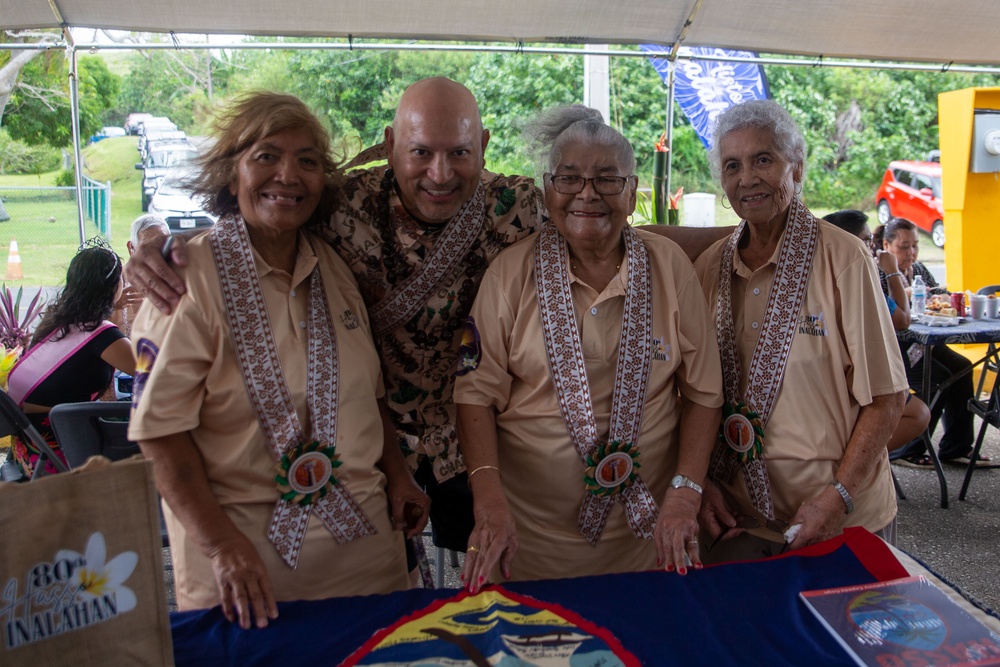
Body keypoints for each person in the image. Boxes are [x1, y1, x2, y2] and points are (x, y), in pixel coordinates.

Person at [123, 78, 731, 569]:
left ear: (483, 148)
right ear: (391, 145)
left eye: (459, 153)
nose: (440, 174)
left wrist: (750, 233)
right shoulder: (340, 206)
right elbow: (268, 206)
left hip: (473, 445)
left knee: (472, 586)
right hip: (371, 443)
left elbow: (607, 221)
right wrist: (154, 240)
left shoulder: (518, 204)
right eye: (421, 152)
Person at [127, 92, 429, 630]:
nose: (288, 175)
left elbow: (366, 397)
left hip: (366, 569)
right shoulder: (186, 279)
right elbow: (159, 435)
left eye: (308, 161)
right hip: (249, 578)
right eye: (266, 156)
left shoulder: (334, 267)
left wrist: (400, 475)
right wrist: (221, 548)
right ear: (230, 171)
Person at [454, 106, 723, 591]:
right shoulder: (510, 275)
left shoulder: (669, 268)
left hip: (648, 543)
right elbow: (474, 395)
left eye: (606, 179)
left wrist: (685, 494)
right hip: (528, 545)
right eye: (570, 178)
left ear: (632, 189)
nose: (587, 194)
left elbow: (704, 393)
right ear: (546, 187)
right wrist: (488, 502)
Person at [693, 100, 908, 563]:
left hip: (837, 519)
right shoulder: (709, 267)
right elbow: (690, 395)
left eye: (763, 159)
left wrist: (839, 498)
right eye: (732, 165)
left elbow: (888, 398)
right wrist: (702, 483)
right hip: (738, 524)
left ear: (798, 168)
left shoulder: (844, 259)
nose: (747, 177)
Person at [7, 242, 136, 478]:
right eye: (121, 278)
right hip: (62, 453)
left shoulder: (57, 321)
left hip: (26, 451)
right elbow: (152, 368)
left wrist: (113, 307)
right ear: (112, 285)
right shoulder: (100, 333)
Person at [873, 217, 986, 467]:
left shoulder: (920, 270)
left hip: (927, 342)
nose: (911, 253)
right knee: (938, 380)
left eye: (915, 246)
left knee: (962, 368)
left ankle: (956, 447)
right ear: (886, 245)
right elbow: (894, 319)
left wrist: (943, 300)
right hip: (898, 348)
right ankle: (906, 449)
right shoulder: (878, 273)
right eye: (904, 246)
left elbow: (937, 298)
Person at [822, 210, 930, 453]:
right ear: (847, 242)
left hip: (829, 380)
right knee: (918, 414)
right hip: (854, 378)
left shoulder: (818, 275)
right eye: (867, 241)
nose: (872, 248)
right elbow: (902, 319)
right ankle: (857, 461)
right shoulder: (859, 279)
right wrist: (892, 271)